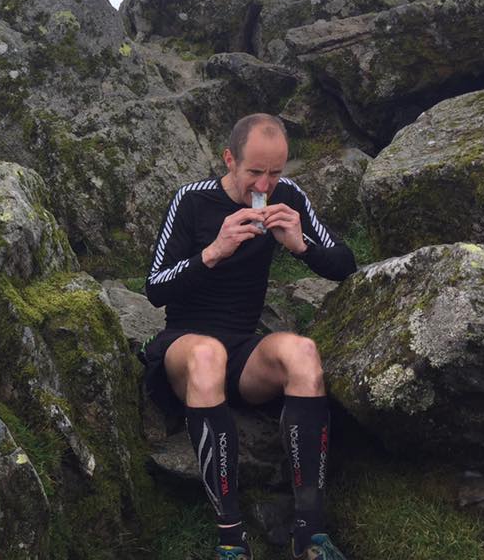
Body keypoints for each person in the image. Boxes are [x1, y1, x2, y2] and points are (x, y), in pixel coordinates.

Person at [142, 113, 356, 560]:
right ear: (229, 159)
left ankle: (310, 534)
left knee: (301, 352)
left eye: (275, 172)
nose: (265, 183)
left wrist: (300, 246)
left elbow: (344, 263)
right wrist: (213, 252)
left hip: (242, 347)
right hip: (185, 343)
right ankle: (230, 539)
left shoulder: (288, 197)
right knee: (206, 355)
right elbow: (155, 287)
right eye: (255, 172)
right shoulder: (192, 201)